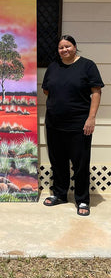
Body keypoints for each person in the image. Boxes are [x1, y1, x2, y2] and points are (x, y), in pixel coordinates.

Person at [42, 35, 104, 216]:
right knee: (58, 161)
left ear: (75, 47)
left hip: (79, 124)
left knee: (80, 163)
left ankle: (82, 199)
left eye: (67, 46)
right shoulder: (53, 67)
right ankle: (60, 194)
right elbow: (47, 89)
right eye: (61, 47)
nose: (64, 50)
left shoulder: (87, 66)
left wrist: (91, 118)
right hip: (54, 123)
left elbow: (96, 92)